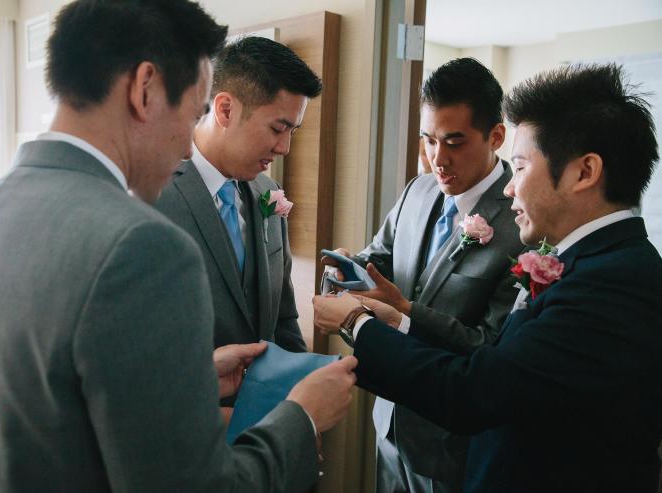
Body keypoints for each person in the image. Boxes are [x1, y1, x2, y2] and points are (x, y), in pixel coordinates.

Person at [0, 1, 358, 491]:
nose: (186, 146)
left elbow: (49, 411)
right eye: (191, 113)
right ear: (144, 88)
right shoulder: (139, 244)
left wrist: (191, 380)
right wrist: (301, 418)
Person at [313, 62, 662, 493]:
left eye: (521, 167)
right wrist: (393, 312)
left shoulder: (612, 284)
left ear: (584, 172)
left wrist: (356, 324)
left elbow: (477, 388)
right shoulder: (592, 261)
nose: (511, 187)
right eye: (429, 140)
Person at [322, 58, 524, 492]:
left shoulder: (521, 223)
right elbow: (380, 257)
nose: (438, 158)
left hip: (452, 442)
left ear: (496, 136)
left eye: (454, 142)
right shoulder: (419, 189)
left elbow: (490, 347)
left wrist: (405, 310)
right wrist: (348, 263)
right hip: (389, 420)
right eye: (429, 140)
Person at [154, 36, 319, 355]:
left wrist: (303, 376)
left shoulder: (269, 192)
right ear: (226, 110)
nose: (284, 148)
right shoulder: (152, 194)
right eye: (277, 129)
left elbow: (284, 320)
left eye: (293, 131)